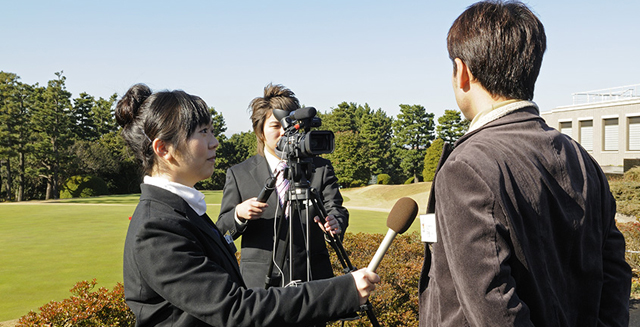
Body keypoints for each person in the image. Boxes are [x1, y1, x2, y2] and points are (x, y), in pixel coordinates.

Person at [418, 1, 631, 326]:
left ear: (462, 72)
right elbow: (614, 275)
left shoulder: (466, 168)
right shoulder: (583, 159)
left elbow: (493, 308)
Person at [117, 83, 379, 327]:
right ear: (163, 148)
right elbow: (234, 308)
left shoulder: (180, 210)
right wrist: (343, 291)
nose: (214, 142)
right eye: (203, 132)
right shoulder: (157, 226)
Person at [217, 83, 348, 289]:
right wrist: (239, 214)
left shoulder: (320, 167)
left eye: (289, 125)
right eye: (275, 126)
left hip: (313, 280)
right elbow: (222, 229)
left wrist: (335, 223)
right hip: (260, 284)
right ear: (260, 131)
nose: (284, 132)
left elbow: (337, 209)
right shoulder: (239, 173)